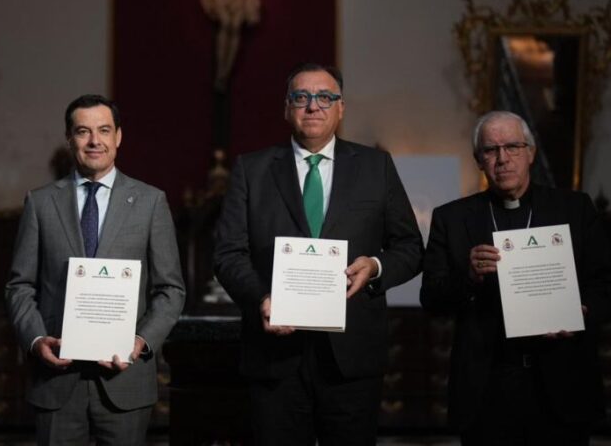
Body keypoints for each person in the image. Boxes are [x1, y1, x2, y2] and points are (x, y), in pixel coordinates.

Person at [213, 63, 423, 445]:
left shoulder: (376, 167)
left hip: (351, 358)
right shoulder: (251, 169)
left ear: (341, 107)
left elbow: (409, 247)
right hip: (274, 358)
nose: (313, 106)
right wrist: (260, 298)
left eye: (325, 97)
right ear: (286, 108)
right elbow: (228, 253)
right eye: (301, 97)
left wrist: (375, 267)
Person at [420, 110, 611, 446]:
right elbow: (432, 299)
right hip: (486, 387)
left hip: (562, 382)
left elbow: (604, 282)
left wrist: (582, 311)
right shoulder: (452, 218)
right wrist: (468, 278)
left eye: (512, 147)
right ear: (479, 160)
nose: (503, 158)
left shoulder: (574, 209)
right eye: (490, 150)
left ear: (530, 153)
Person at [5, 95, 185, 446]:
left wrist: (140, 341)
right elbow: (19, 286)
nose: (94, 141)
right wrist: (37, 340)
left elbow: (171, 290)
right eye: (82, 131)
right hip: (56, 379)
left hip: (125, 380)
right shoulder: (40, 203)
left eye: (103, 130)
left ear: (118, 136)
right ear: (69, 138)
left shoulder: (151, 202)